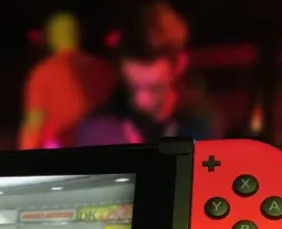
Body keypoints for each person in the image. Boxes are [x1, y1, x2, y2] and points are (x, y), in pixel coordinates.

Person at [78, 41, 220, 146]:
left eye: (155, 88)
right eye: (133, 87)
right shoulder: (97, 128)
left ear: (179, 66)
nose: (141, 101)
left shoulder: (203, 124)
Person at [19, 12, 115, 150]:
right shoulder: (103, 68)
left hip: (61, 148)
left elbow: (34, 122)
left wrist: (25, 156)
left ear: (51, 37)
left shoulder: (42, 73)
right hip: (101, 145)